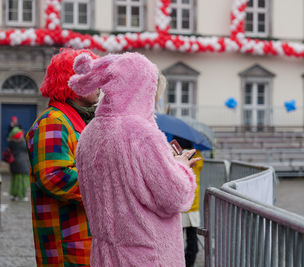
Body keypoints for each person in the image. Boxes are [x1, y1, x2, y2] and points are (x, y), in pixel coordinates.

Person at [68, 52, 198, 266]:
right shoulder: (142, 134)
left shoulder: (89, 133)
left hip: (104, 255)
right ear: (143, 89)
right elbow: (176, 196)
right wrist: (181, 167)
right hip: (147, 255)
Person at [25, 48, 100, 266]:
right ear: (74, 83)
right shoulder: (54, 121)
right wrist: (109, 185)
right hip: (67, 246)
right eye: (92, 78)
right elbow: (54, 177)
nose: (100, 84)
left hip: (80, 240)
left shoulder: (73, 120)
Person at [173, 136, 204, 267]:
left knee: (179, 246)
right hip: (188, 206)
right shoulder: (197, 155)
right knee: (190, 246)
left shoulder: (192, 156)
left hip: (183, 207)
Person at [8, 126, 30, 201]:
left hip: (14, 164)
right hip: (22, 165)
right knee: (23, 181)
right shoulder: (22, 143)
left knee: (15, 180)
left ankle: (14, 195)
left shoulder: (11, 143)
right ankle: (21, 196)